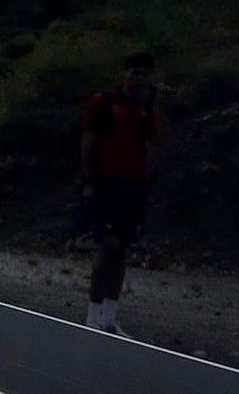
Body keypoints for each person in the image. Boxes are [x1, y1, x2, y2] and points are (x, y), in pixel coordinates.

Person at [80, 52, 171, 337]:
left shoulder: (145, 108)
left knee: (122, 250)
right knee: (107, 247)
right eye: (135, 72)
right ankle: (92, 316)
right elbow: (88, 141)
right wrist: (88, 180)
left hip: (135, 184)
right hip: (108, 182)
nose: (139, 79)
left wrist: (158, 106)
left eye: (144, 74)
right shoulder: (104, 102)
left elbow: (159, 140)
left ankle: (109, 317)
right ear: (125, 73)